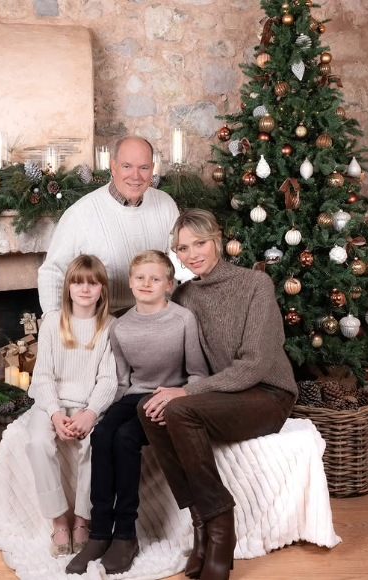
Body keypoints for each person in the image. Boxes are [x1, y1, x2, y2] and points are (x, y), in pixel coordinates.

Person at [138, 209, 298, 580]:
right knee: (150, 408)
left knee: (179, 410)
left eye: (200, 243)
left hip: (268, 394)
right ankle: (201, 526)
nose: (193, 254)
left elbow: (256, 364)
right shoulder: (185, 294)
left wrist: (189, 390)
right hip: (224, 395)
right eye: (182, 248)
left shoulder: (256, 285)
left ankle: (221, 527)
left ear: (218, 239)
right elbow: (160, 331)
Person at [66, 250, 208, 575]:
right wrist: (96, 411)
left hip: (168, 398)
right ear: (130, 283)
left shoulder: (182, 319)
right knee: (103, 434)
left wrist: (178, 397)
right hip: (133, 397)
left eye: (155, 278)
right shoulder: (121, 327)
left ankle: (126, 535)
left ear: (169, 284)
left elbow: (198, 373)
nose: (146, 283)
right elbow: (120, 381)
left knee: (126, 438)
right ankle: (100, 532)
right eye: (140, 278)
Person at [24, 254, 118, 558]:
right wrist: (53, 413)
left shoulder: (110, 326)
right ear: (68, 287)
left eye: (93, 283)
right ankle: (59, 520)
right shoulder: (53, 321)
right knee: (38, 441)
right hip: (50, 403)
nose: (85, 289)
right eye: (78, 282)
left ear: (102, 288)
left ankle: (82, 519)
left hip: (89, 405)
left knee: (97, 443)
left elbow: (108, 379)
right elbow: (43, 375)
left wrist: (91, 413)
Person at [37, 136, 191, 317]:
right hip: (105, 320)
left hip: (158, 313)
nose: (136, 176)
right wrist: (53, 321)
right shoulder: (80, 213)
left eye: (143, 168)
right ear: (113, 166)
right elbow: (53, 270)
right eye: (127, 166)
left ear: (152, 169)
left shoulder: (166, 204)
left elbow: (181, 260)